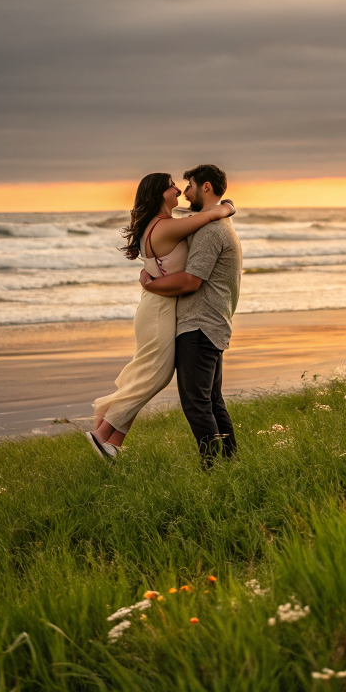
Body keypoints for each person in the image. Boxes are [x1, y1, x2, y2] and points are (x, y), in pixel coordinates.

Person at [85, 171, 235, 460]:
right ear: (158, 194)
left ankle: (113, 440)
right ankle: (102, 432)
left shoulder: (162, 225)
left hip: (157, 306)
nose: (178, 190)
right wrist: (227, 206)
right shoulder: (166, 227)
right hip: (158, 310)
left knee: (149, 373)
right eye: (171, 186)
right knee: (156, 375)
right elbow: (207, 217)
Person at [140, 163, 242, 467]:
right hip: (211, 323)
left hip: (200, 325)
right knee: (211, 400)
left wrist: (152, 284)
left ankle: (213, 470)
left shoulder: (211, 231)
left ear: (206, 187)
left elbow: (190, 281)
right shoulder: (213, 223)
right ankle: (231, 463)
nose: (185, 192)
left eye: (190, 186)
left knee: (196, 404)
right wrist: (228, 206)